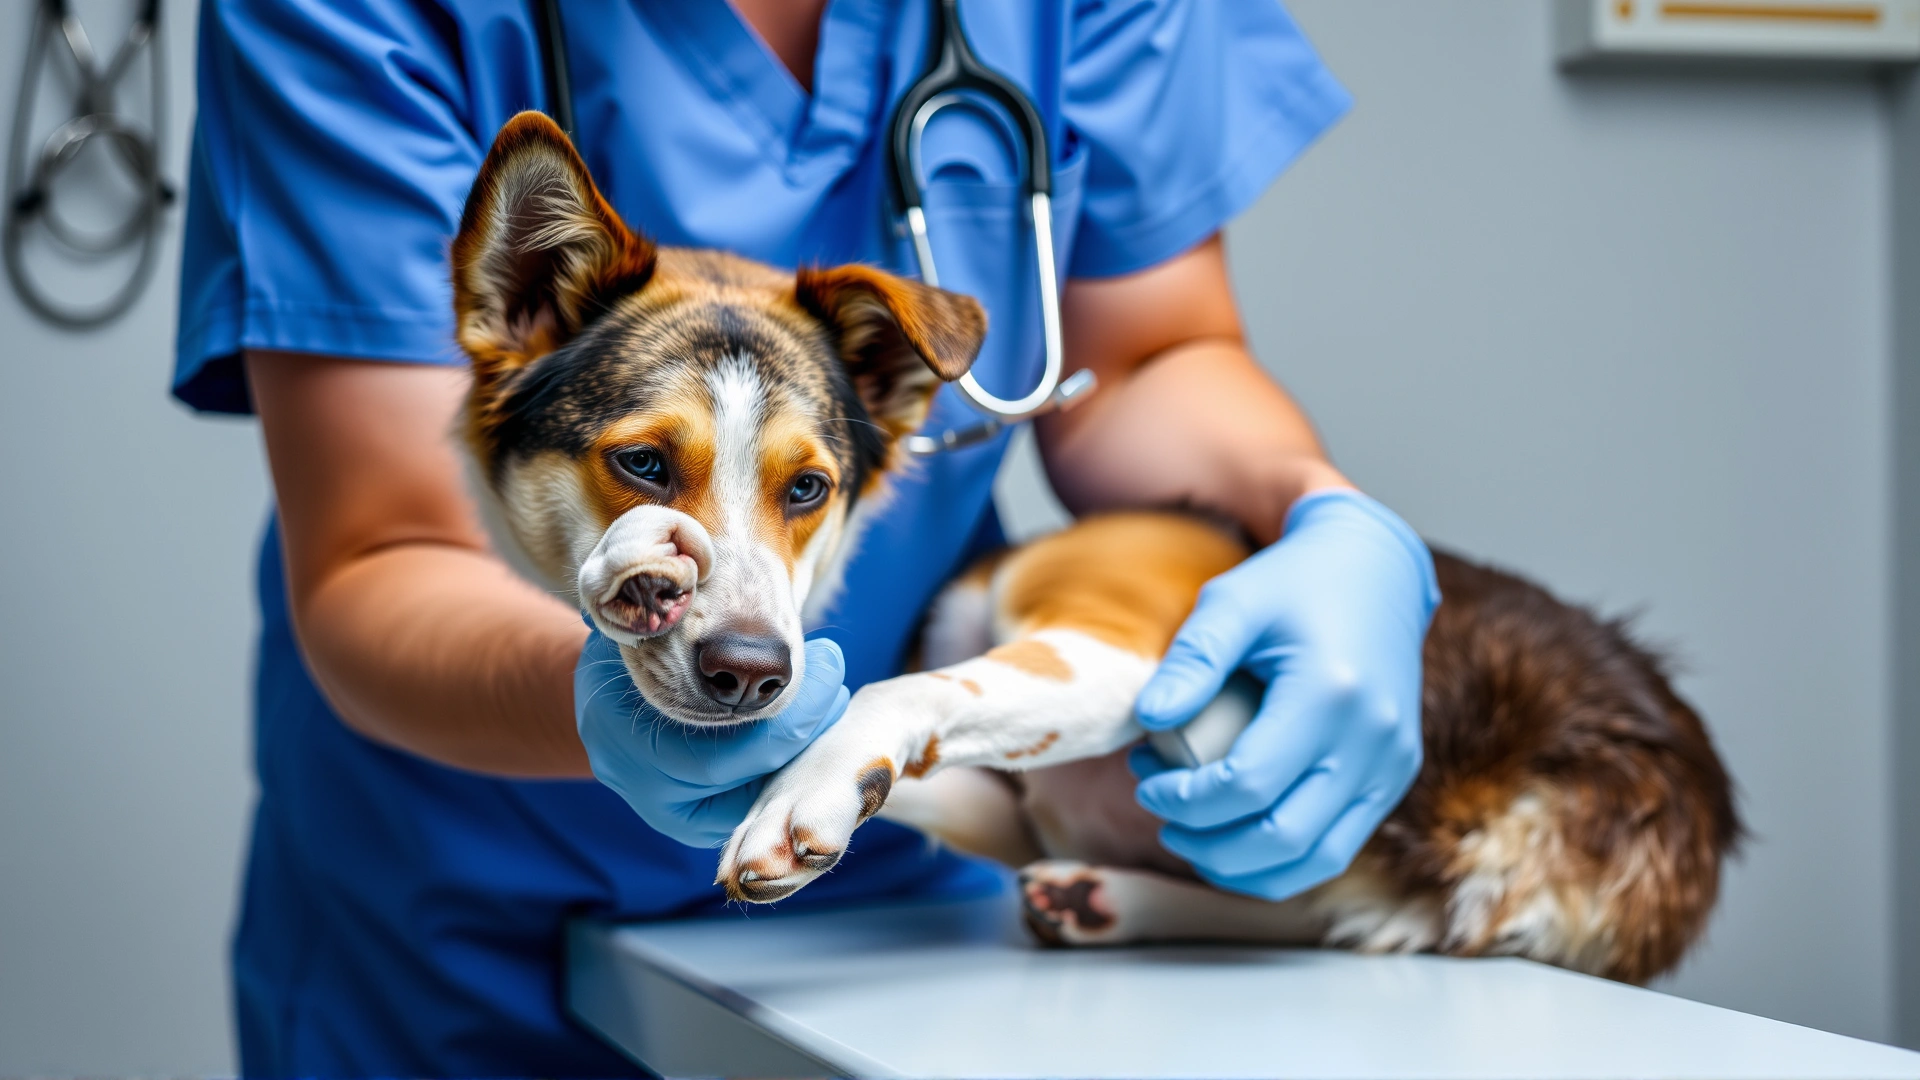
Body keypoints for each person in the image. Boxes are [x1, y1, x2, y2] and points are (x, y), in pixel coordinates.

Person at [175, 1, 1438, 1075]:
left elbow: (1150, 353)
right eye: (643, 469)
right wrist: (591, 697)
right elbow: (384, 549)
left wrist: (1319, 510)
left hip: (887, 888)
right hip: (447, 929)